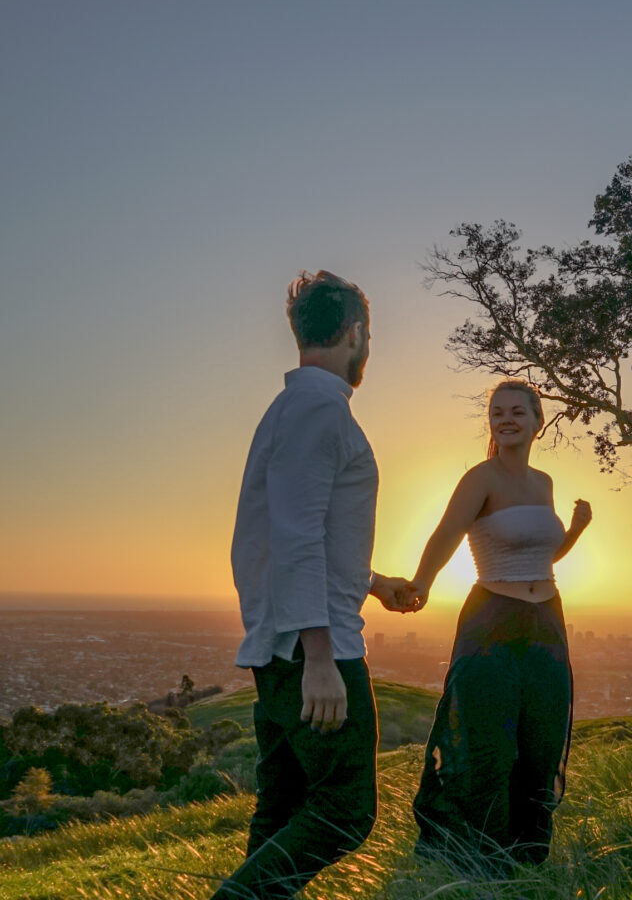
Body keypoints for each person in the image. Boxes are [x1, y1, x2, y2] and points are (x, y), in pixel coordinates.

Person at [214, 270, 410, 900]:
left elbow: (302, 534)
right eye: (369, 335)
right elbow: (298, 536)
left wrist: (373, 583)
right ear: (355, 334)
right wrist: (321, 658)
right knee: (345, 814)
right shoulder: (322, 411)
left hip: (282, 644)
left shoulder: (290, 411)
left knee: (280, 812)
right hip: (311, 650)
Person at [399, 379, 592, 876]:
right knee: (486, 746)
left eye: (517, 412)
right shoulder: (480, 478)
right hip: (492, 619)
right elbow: (446, 533)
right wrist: (421, 582)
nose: (506, 419)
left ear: (537, 420)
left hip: (547, 619)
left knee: (541, 741)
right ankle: (477, 862)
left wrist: (574, 532)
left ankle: (526, 861)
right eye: (497, 412)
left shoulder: (544, 483)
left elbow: (541, 556)